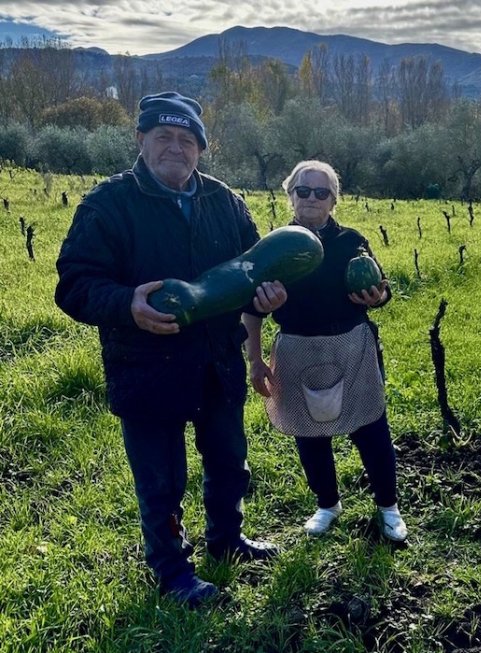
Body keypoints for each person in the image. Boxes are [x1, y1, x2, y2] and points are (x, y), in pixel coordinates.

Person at [55, 91, 287, 608]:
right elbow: (73, 284)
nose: (175, 148)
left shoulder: (225, 201)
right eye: (164, 136)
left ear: (201, 149)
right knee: (161, 480)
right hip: (147, 368)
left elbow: (251, 273)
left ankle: (226, 540)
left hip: (217, 362)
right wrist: (126, 303)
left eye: (187, 139)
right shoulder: (108, 204)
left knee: (230, 463)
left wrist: (265, 297)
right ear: (141, 140)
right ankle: (172, 570)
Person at [242, 160, 408, 543]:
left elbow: (380, 289)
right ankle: (327, 504)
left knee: (371, 427)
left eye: (322, 192)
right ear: (290, 196)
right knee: (309, 432)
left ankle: (389, 508)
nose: (312, 198)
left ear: (334, 201)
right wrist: (254, 361)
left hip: (352, 344)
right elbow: (250, 311)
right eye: (304, 190)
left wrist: (378, 295)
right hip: (296, 347)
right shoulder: (273, 248)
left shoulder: (352, 242)